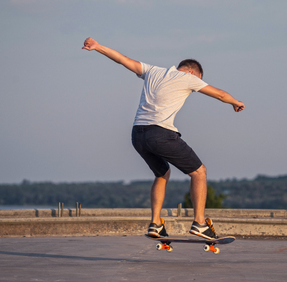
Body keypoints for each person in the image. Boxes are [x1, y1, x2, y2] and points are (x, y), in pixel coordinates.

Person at [82, 37, 245, 240]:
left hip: (138, 135)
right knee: (199, 172)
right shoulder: (189, 78)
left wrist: (97, 47)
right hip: (160, 133)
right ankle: (200, 223)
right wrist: (235, 102)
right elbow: (220, 94)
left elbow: (123, 60)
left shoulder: (153, 71)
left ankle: (156, 223)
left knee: (162, 174)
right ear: (193, 72)